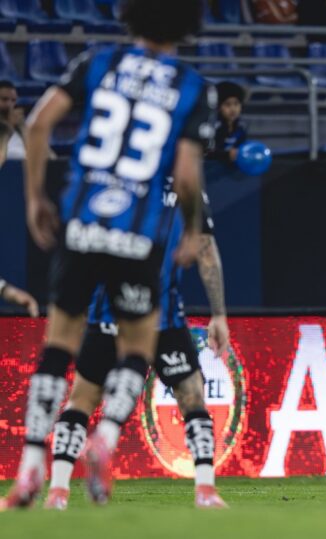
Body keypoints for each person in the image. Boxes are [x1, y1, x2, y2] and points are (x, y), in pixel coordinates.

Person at [0, 0, 209, 510]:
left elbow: (40, 125)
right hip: (138, 237)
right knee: (138, 346)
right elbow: (184, 176)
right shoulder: (190, 85)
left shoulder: (98, 62)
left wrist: (34, 198)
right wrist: (192, 229)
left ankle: (30, 467)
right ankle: (106, 439)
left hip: (83, 224)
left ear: (130, 17)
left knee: (59, 344)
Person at [43, 185, 229, 510]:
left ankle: (58, 493)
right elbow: (205, 249)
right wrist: (218, 314)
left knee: (83, 399)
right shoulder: (187, 187)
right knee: (192, 396)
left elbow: (81, 246)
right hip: (160, 317)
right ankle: (206, 491)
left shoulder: (116, 181)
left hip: (111, 313)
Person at [206, 81, 248, 166]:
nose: (233, 109)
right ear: (218, 107)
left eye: (236, 104)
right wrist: (226, 155)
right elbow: (206, 153)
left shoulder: (241, 126)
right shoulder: (212, 127)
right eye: (227, 104)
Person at [0, 80, 26, 165]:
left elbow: (50, 159)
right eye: (4, 99)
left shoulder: (19, 128)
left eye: (13, 100)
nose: (9, 105)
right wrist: (9, 128)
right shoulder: (8, 130)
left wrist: (23, 128)